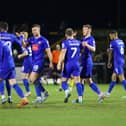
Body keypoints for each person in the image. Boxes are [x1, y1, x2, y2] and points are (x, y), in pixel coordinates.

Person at [22, 24, 53, 103]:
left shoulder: (43, 40)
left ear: (39, 30)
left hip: (40, 61)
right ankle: (44, 93)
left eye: (35, 30)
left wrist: (51, 62)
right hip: (33, 62)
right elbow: (24, 45)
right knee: (35, 80)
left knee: (32, 79)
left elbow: (49, 52)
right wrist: (23, 38)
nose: (33, 32)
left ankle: (39, 97)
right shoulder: (31, 39)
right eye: (32, 30)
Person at [0, 21, 29, 106]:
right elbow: (20, 43)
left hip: (3, 64)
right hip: (11, 63)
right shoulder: (11, 36)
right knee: (13, 82)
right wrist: (20, 37)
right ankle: (24, 99)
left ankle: (3, 97)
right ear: (7, 28)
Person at [80, 24, 105, 103]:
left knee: (83, 79)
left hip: (87, 62)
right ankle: (100, 94)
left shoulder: (91, 39)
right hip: (83, 61)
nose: (83, 31)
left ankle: (80, 98)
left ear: (89, 30)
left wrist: (87, 45)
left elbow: (94, 49)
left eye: (85, 29)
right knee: (86, 80)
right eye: (83, 29)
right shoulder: (83, 39)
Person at [57, 28, 83, 104]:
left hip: (68, 64)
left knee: (63, 82)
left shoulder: (65, 42)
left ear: (65, 35)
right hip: (76, 64)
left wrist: (59, 63)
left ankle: (67, 91)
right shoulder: (78, 42)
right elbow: (81, 51)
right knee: (78, 82)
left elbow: (62, 53)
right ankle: (80, 98)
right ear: (73, 34)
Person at [105, 30, 126, 97]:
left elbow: (110, 53)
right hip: (122, 60)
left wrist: (109, 62)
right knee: (113, 77)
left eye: (110, 35)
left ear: (114, 34)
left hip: (117, 62)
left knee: (122, 78)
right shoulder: (121, 41)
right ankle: (108, 93)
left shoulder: (113, 42)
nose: (110, 37)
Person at [18, 31, 32, 97]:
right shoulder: (27, 42)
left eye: (22, 34)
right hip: (30, 60)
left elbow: (26, 53)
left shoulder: (25, 43)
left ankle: (28, 92)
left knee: (23, 77)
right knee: (27, 77)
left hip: (27, 60)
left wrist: (20, 55)